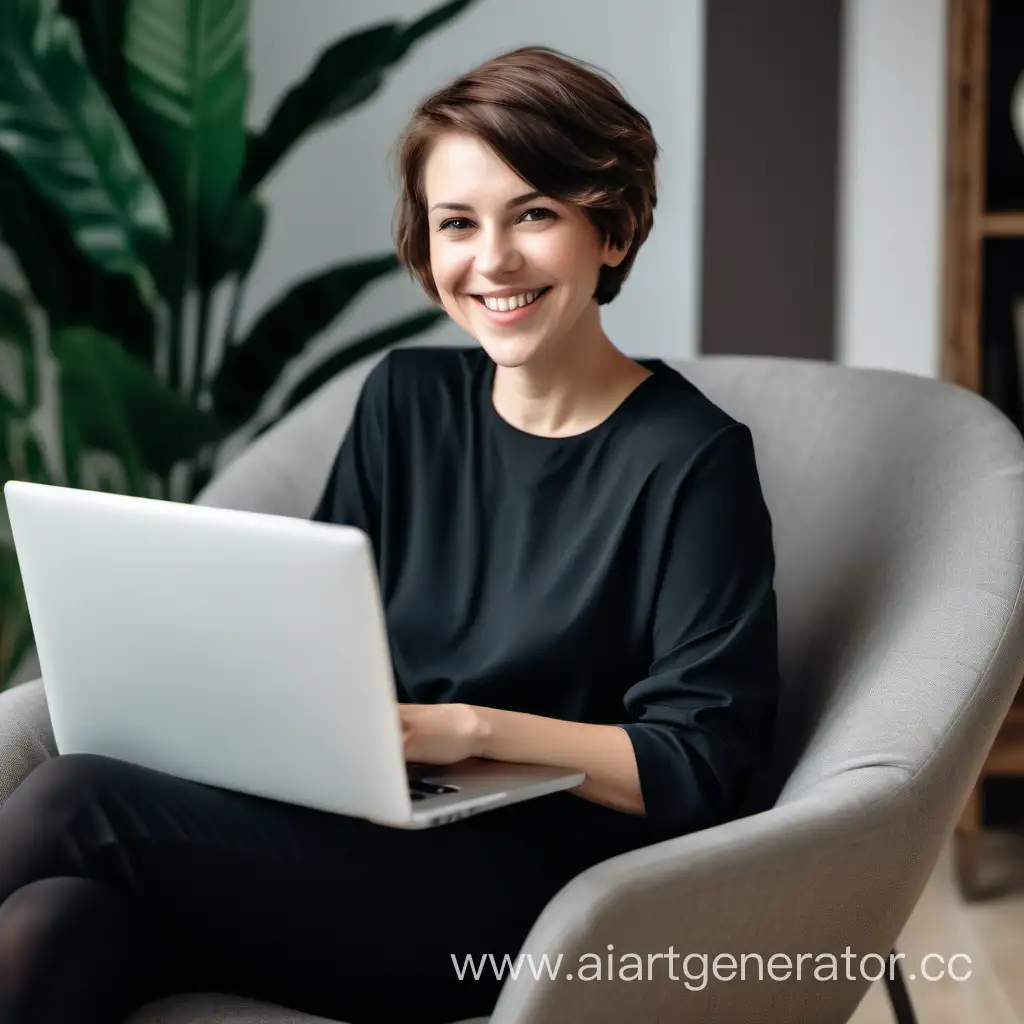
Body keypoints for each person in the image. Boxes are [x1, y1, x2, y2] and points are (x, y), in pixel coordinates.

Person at [0, 45, 780, 1024]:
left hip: (528, 893)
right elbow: (318, 643)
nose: (490, 260)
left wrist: (474, 731)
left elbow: (701, 761)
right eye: (457, 223)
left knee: (79, 800)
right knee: (55, 926)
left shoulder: (692, 458)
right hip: (350, 836)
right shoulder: (404, 400)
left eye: (533, 213)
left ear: (610, 228)